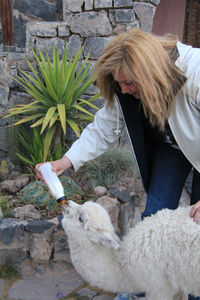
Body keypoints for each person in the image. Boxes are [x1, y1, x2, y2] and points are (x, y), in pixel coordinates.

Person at [36, 28, 200, 300]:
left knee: (196, 227)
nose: (123, 90)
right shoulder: (125, 86)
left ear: (149, 72)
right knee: (153, 219)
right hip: (174, 148)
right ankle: (145, 288)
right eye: (119, 83)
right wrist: (65, 162)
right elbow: (103, 128)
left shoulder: (194, 71)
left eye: (129, 83)